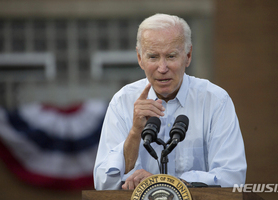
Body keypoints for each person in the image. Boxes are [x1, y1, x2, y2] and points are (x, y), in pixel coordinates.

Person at [93, 13, 247, 190]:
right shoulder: (122, 101)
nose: (162, 68)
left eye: (171, 56)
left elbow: (232, 177)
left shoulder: (216, 100)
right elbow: (103, 183)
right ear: (139, 58)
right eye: (153, 57)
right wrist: (135, 133)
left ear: (188, 56)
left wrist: (165, 185)